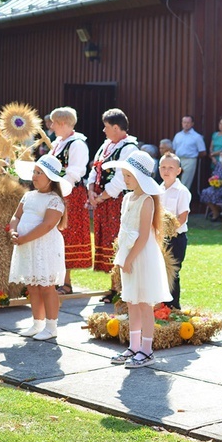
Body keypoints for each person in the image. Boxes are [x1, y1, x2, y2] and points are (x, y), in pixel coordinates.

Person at [107, 150, 171, 368]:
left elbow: (144, 235)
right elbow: (125, 229)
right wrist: (123, 256)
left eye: (129, 176)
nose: (125, 180)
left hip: (142, 256)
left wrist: (130, 258)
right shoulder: (126, 198)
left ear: (141, 177)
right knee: (131, 301)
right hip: (128, 254)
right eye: (124, 175)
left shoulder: (147, 201)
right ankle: (133, 346)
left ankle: (147, 349)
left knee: (144, 303)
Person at [9, 155, 72, 340]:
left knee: (46, 286)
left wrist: (24, 238)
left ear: (51, 177)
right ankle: (37, 323)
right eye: (34, 172)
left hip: (44, 247)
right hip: (27, 246)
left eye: (39, 173)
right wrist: (13, 231)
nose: (34, 176)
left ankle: (51, 326)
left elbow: (46, 225)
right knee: (33, 285)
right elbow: (16, 216)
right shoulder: (28, 196)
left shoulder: (55, 200)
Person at [87, 108, 138, 303]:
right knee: (107, 241)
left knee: (118, 241)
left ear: (117, 128)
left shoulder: (129, 148)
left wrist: (100, 197)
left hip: (117, 202)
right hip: (103, 201)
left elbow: (120, 180)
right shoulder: (107, 145)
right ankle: (114, 287)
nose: (103, 130)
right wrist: (91, 190)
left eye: (106, 127)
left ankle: (121, 289)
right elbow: (95, 170)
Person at [48, 107, 91, 295]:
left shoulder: (77, 144)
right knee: (56, 234)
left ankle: (66, 282)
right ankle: (55, 279)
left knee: (67, 234)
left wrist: (60, 188)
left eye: (54, 123)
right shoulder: (59, 142)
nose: (51, 126)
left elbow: (76, 171)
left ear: (63, 123)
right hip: (57, 192)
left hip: (70, 194)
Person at [158, 153, 191, 310]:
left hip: (176, 238)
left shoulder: (181, 191)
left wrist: (168, 228)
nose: (166, 171)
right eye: (163, 167)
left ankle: (173, 307)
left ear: (178, 171)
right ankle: (161, 306)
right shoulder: (158, 189)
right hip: (160, 237)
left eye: (170, 168)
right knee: (160, 272)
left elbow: (182, 217)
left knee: (173, 273)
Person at [173, 115, 206, 192]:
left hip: (190, 160)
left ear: (192, 124)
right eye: (184, 122)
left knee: (185, 182)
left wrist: (193, 156)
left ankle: (182, 200)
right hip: (178, 160)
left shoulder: (197, 137)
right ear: (182, 123)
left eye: (188, 122)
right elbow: (174, 149)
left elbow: (203, 152)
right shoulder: (178, 135)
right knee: (175, 180)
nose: (186, 124)